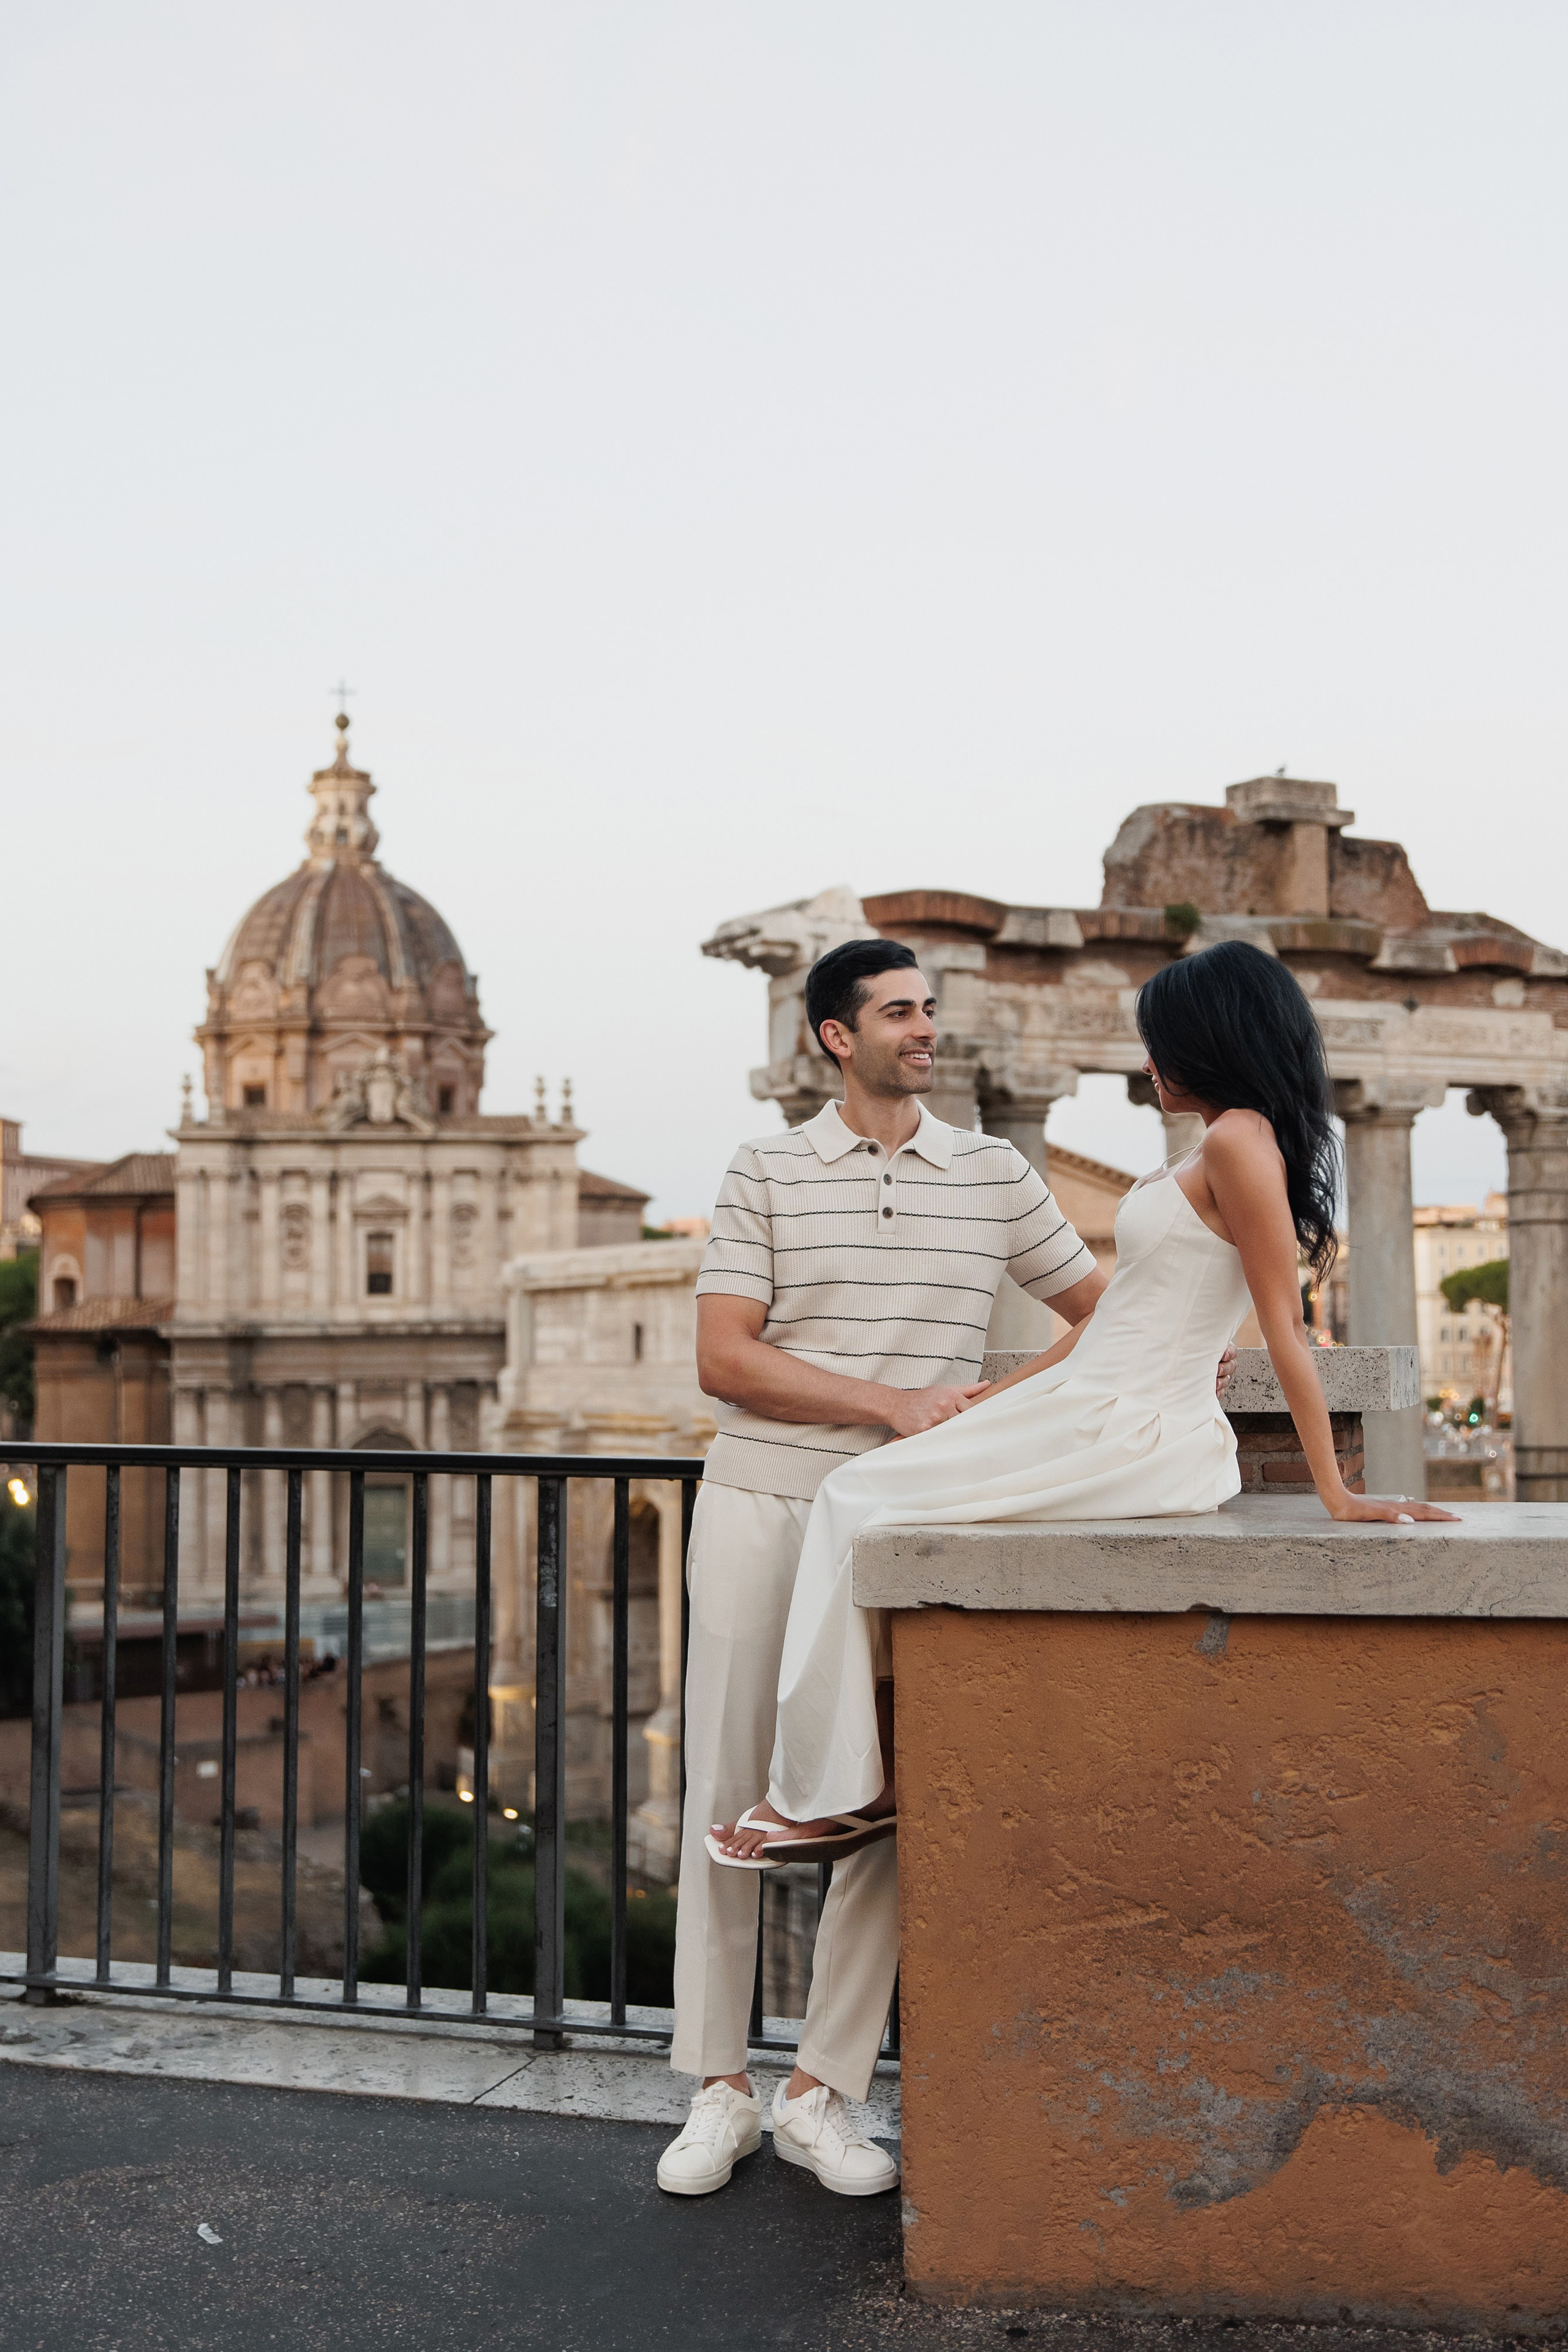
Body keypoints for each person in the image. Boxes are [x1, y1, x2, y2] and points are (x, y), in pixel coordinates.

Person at [656, 938, 1234, 2201]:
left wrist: (1048, 1394)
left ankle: (820, 2092)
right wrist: (893, 1403)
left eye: (930, 1010)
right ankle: (715, 2088)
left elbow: (1102, 1312)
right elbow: (722, 1357)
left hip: (908, 1519)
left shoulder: (990, 1170)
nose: (926, 1030)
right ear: (833, 1036)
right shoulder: (764, 1166)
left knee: (877, 1802)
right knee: (731, 1781)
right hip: (764, 1499)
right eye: (901, 1012)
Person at [711, 938, 1457, 1868]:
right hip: (1092, 1398)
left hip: (1135, 1428)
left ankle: (831, 1795)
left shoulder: (1237, 1140)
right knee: (870, 1497)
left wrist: (1337, 1496)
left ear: (1212, 1042)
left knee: (856, 1499)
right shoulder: (1225, 1141)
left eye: (1161, 1044)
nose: (1149, 1065)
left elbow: (1287, 1330)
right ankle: (861, 1781)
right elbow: (1104, 1322)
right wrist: (991, 1402)